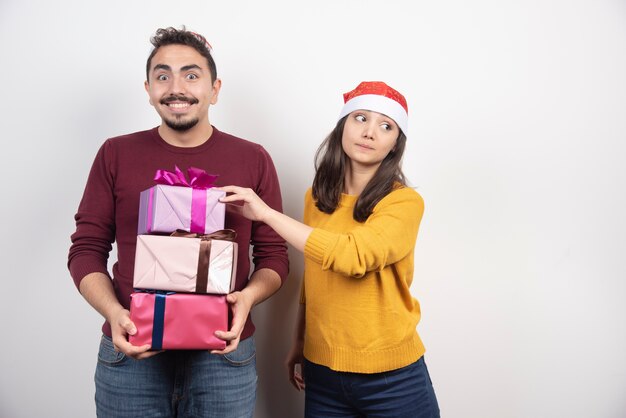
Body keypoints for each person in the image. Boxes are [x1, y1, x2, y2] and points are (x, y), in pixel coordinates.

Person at [67, 27, 288, 418]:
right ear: (149, 88)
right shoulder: (115, 153)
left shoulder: (252, 158)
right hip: (132, 349)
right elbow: (86, 249)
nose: (176, 87)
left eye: (191, 74)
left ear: (215, 89)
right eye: (163, 75)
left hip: (223, 353)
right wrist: (113, 313)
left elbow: (273, 255)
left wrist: (247, 298)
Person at [220, 81, 440, 417]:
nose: (370, 132)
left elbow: (352, 257)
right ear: (342, 126)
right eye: (360, 118)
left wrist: (265, 213)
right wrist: (301, 340)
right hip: (323, 375)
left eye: (386, 126)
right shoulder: (317, 198)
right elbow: (315, 277)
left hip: (393, 379)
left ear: (396, 144)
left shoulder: (404, 202)